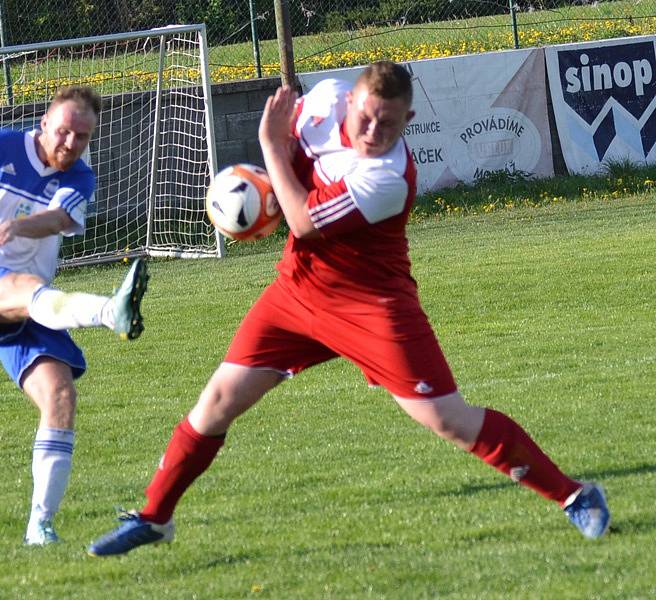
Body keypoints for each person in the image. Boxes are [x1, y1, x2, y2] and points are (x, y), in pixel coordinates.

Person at [87, 62, 610, 556]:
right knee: (218, 399)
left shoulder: (387, 177)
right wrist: (261, 178)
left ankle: (574, 495)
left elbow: (303, 221)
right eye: (365, 115)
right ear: (349, 99)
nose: (372, 129)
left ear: (408, 120)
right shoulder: (325, 101)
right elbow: (293, 154)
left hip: (374, 306)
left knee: (448, 419)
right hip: (298, 292)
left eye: (388, 122)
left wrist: (268, 148)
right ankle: (154, 517)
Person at [0, 85, 150, 546]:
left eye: (82, 136)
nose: (70, 143)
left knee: (59, 396)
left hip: (32, 303)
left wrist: (21, 225)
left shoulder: (79, 177)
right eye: (64, 132)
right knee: (24, 286)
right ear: (44, 123)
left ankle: (40, 526)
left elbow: (59, 220)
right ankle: (108, 311)